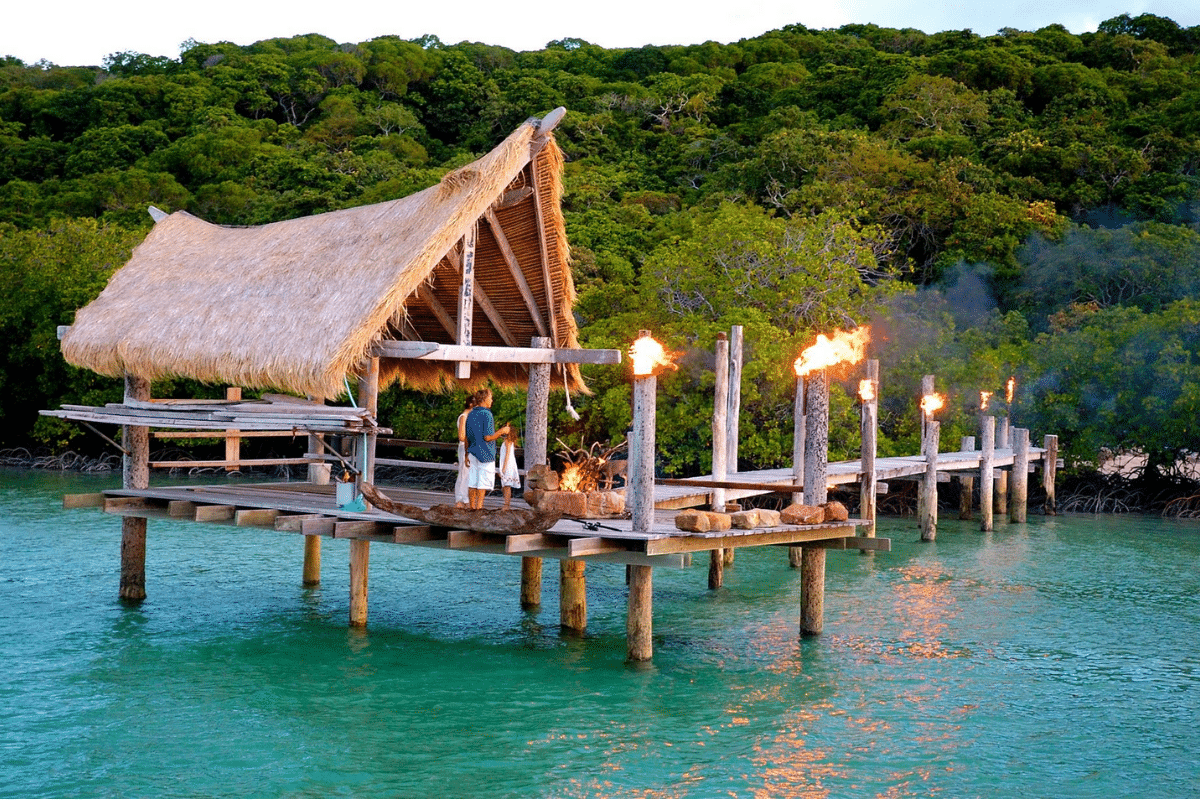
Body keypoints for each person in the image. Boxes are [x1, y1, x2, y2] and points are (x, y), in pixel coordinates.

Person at [464, 388, 510, 510]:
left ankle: (472, 508)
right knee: (482, 483)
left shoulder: (471, 414)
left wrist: (466, 455)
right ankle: (479, 508)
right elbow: (488, 437)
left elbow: (467, 437)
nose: (492, 400)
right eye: (490, 398)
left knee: (473, 481)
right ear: (484, 399)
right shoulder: (487, 414)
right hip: (485, 453)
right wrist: (502, 431)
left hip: (472, 452)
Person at [453, 396, 475, 508]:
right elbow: (461, 436)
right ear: (471, 404)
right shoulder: (464, 417)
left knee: (469, 474)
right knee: (463, 473)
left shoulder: (470, 417)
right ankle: (460, 499)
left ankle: (466, 499)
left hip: (470, 447)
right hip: (464, 448)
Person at [498, 424, 521, 509]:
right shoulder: (507, 441)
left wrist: (503, 468)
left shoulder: (508, 442)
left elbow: (507, 455)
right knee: (505, 485)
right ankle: (506, 503)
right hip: (507, 464)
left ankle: (507, 504)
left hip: (508, 465)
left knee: (507, 486)